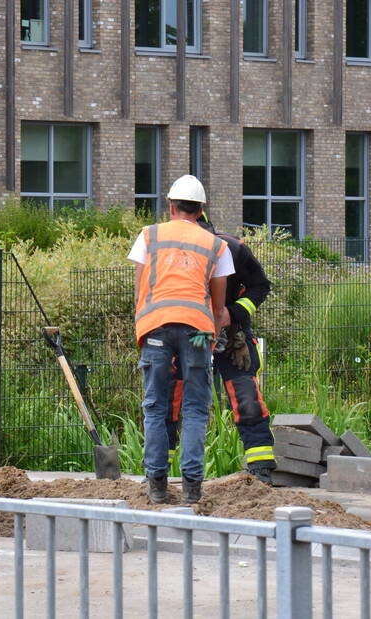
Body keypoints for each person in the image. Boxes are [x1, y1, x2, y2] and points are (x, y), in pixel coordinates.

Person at [128, 175, 232, 505]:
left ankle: (157, 486)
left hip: (155, 326)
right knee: (196, 408)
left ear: (171, 206)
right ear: (201, 211)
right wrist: (212, 338)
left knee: (155, 406)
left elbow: (140, 291)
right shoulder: (216, 245)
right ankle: (192, 489)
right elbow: (219, 306)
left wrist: (147, 328)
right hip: (197, 331)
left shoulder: (149, 235)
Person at [165, 216, 277, 483]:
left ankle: (261, 469)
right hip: (184, 334)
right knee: (169, 399)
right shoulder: (169, 253)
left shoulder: (232, 249)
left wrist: (233, 313)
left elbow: (260, 286)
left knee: (246, 395)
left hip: (230, 336)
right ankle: (157, 471)